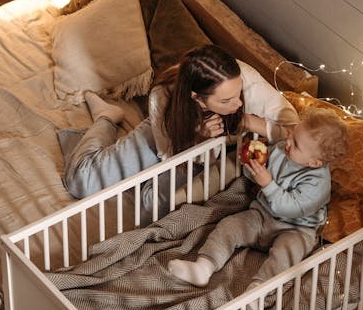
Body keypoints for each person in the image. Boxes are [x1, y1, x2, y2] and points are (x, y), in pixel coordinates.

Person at [60, 44, 299, 213]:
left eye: (238, 94)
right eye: (226, 101)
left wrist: (250, 121)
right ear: (197, 98)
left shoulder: (250, 84)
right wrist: (199, 139)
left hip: (227, 151)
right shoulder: (163, 96)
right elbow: (168, 157)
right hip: (175, 137)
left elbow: (296, 132)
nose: (237, 104)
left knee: (153, 205)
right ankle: (106, 117)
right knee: (81, 182)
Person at [168, 106, 348, 301]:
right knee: (229, 226)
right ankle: (204, 267)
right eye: (292, 135)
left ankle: (258, 292)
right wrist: (252, 167)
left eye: (295, 144)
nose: (287, 141)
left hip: (295, 229)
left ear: (315, 163)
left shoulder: (318, 183)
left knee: (287, 254)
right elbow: (259, 175)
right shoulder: (280, 150)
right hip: (261, 215)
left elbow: (291, 208)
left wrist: (268, 184)